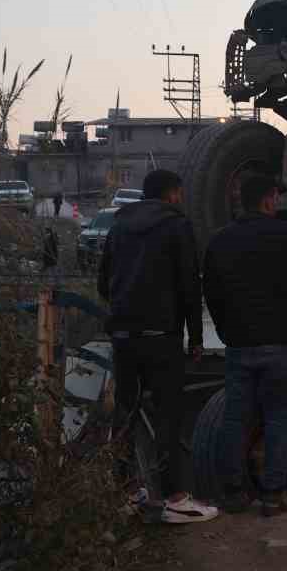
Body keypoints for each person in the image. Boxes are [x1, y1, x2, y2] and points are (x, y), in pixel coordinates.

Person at [203, 172, 287, 517]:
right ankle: (273, 495)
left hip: (239, 344)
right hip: (281, 345)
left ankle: (233, 494)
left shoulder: (220, 240)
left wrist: (225, 330)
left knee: (236, 418)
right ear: (268, 201)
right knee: (279, 417)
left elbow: (213, 293)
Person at [96, 169, 216, 524]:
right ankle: (174, 497)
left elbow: (103, 282)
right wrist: (194, 337)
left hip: (123, 337)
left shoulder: (118, 227)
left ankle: (127, 493)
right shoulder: (176, 227)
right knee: (168, 416)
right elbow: (189, 290)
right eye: (178, 194)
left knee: (126, 414)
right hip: (161, 339)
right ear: (172, 194)